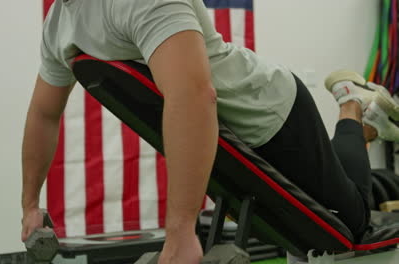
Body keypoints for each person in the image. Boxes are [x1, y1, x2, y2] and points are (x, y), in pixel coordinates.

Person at [20, 0, 399, 263]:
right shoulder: (59, 21)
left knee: (349, 226)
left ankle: (350, 103)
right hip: (222, 133)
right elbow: (43, 113)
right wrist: (30, 206)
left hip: (270, 113)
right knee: (312, 219)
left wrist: (182, 231)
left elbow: (194, 96)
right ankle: (363, 130)